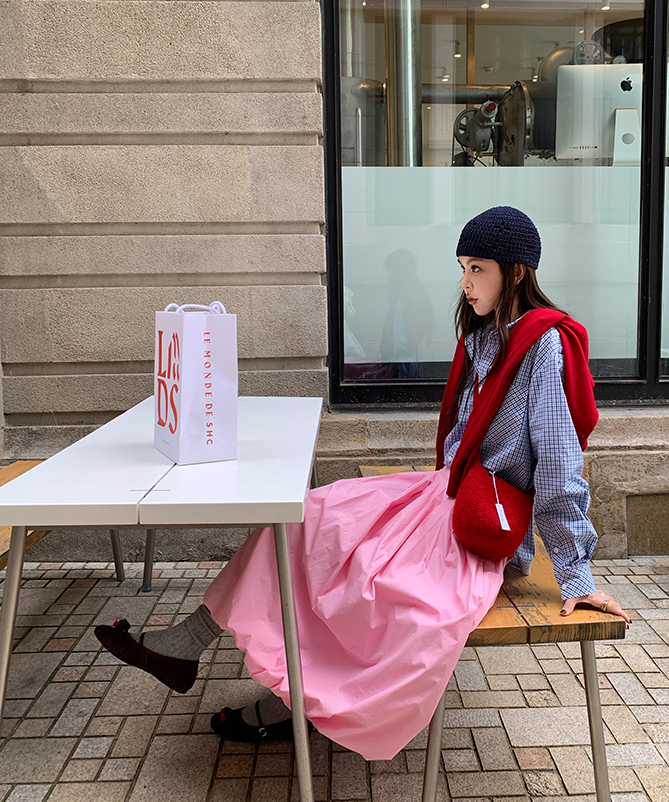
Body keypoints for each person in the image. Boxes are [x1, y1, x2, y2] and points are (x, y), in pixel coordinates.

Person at [96, 206, 630, 761]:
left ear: (516, 272)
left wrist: (575, 573)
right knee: (308, 519)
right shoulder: (489, 334)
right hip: (442, 495)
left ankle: (291, 701)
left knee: (366, 582)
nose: (466, 283)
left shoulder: (543, 345)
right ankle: (187, 644)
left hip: (477, 524)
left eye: (478, 269)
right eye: (463, 269)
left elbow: (559, 466)